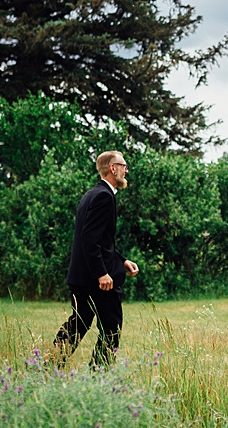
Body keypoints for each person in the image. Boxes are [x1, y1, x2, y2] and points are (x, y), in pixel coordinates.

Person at [52, 151, 139, 366]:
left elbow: (99, 239)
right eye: (123, 166)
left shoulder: (91, 194)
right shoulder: (103, 196)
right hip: (99, 281)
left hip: (82, 277)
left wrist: (121, 260)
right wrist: (102, 273)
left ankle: (48, 365)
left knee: (78, 324)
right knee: (111, 329)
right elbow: (89, 239)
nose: (126, 170)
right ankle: (99, 377)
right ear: (113, 168)